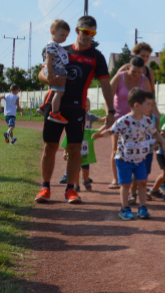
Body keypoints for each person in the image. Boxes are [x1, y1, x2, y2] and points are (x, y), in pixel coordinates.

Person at [36, 15, 115, 204]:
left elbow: (105, 85)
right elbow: (41, 74)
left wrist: (111, 111)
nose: (89, 36)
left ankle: (70, 190)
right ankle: (45, 188)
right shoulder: (60, 49)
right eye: (86, 32)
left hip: (77, 107)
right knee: (50, 147)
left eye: (92, 33)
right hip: (54, 104)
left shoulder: (97, 56)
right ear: (78, 31)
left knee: (75, 148)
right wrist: (50, 80)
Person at [93, 88, 165, 220]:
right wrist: (101, 134)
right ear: (137, 105)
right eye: (149, 104)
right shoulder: (123, 121)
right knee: (125, 184)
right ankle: (124, 208)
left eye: (152, 104)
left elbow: (155, 133)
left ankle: (143, 207)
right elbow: (111, 131)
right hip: (123, 159)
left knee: (143, 183)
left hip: (140, 160)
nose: (151, 107)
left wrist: (163, 143)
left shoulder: (147, 120)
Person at [108, 56, 150, 189]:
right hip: (119, 118)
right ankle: (116, 179)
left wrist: (147, 116)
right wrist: (109, 113)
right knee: (116, 149)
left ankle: (133, 179)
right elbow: (107, 95)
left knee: (134, 148)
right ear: (128, 67)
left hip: (137, 120)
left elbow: (148, 100)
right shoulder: (119, 77)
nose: (136, 75)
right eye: (134, 71)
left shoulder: (144, 80)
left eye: (139, 72)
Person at [60, 98, 103, 191]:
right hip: (75, 151)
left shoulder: (88, 130)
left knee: (86, 168)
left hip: (85, 151)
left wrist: (109, 121)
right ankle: (76, 184)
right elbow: (67, 140)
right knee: (76, 168)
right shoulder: (73, 130)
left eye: (88, 106)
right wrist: (64, 151)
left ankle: (85, 180)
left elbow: (100, 129)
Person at [115, 42, 161, 122]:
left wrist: (152, 105)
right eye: (143, 56)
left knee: (158, 120)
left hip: (142, 110)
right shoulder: (124, 70)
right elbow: (113, 88)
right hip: (122, 111)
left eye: (147, 56)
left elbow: (152, 91)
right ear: (136, 54)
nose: (145, 58)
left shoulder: (149, 72)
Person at [43, 19, 70, 124]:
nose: (64, 38)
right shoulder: (52, 44)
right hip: (56, 69)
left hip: (57, 69)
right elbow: (49, 58)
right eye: (62, 35)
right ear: (53, 32)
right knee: (59, 92)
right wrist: (50, 73)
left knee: (53, 91)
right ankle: (54, 113)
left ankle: (43, 107)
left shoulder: (56, 45)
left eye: (66, 36)